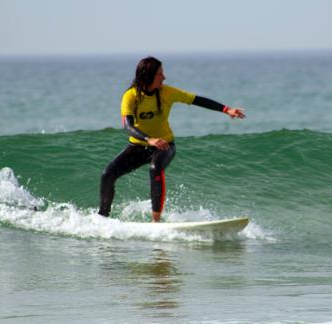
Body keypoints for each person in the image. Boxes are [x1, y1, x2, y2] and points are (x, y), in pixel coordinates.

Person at [98, 56, 245, 222]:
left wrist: (227, 110)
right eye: (160, 73)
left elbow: (197, 100)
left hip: (164, 144)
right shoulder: (130, 96)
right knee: (107, 174)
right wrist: (149, 139)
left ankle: (155, 221)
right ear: (149, 76)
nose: (164, 77)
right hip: (138, 145)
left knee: (155, 168)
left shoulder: (167, 92)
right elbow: (128, 126)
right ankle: (103, 219)